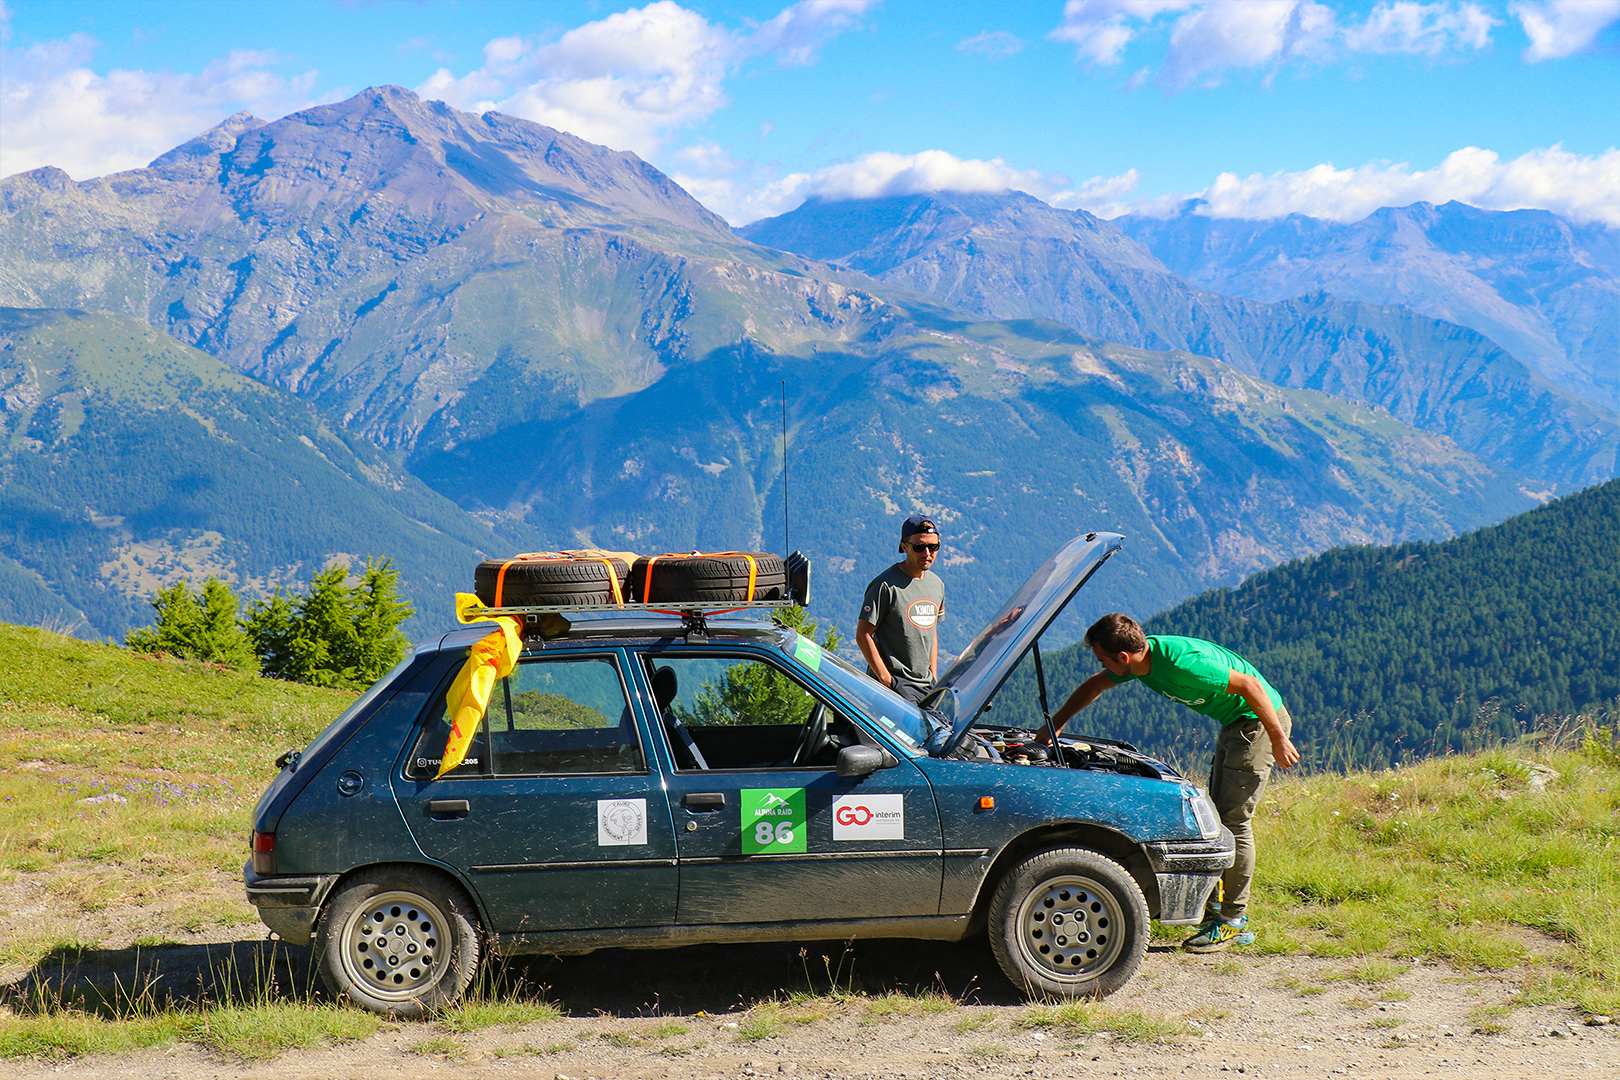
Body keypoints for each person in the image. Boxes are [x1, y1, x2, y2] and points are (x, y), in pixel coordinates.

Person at [1041, 612, 1299, 952]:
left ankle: (1232, 921)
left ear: (1123, 657)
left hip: (1257, 723)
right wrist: (1056, 724)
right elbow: (1096, 685)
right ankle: (1217, 910)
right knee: (1219, 818)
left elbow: (1251, 686)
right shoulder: (1139, 662)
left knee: (1235, 822)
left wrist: (1278, 738)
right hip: (1234, 722)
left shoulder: (1182, 665)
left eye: (1103, 658)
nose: (1101, 665)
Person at [855, 514, 945, 705]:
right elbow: (863, 634)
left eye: (933, 547)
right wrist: (887, 681)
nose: (927, 553)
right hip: (896, 685)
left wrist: (934, 676)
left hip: (926, 685)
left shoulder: (937, 584)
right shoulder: (885, 585)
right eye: (919, 547)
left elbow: (931, 629)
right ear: (904, 546)